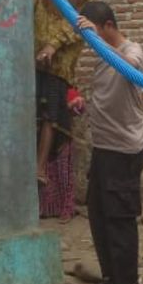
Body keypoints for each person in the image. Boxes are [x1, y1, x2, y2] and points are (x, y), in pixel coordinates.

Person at [75, 2, 143, 284]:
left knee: (119, 218)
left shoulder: (133, 51)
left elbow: (129, 68)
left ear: (106, 26)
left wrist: (100, 43)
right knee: (98, 214)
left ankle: (127, 283)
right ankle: (112, 275)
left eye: (92, 34)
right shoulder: (103, 58)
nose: (89, 43)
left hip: (124, 151)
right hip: (104, 150)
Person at [35, 0, 96, 191]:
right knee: (32, 114)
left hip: (60, 64)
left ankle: (39, 168)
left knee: (52, 116)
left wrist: (53, 46)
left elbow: (76, 25)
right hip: (31, 58)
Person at [38, 86, 85, 223]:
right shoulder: (42, 89)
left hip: (62, 136)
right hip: (44, 139)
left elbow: (80, 108)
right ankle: (47, 209)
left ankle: (66, 209)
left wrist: (74, 104)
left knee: (64, 176)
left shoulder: (67, 90)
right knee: (48, 174)